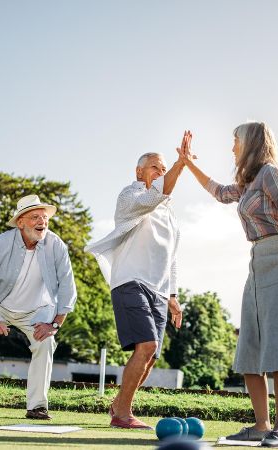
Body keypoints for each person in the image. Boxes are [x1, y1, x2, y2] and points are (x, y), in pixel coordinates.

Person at [178, 123, 278, 448]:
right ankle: (261, 425)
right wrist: (188, 162)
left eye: (235, 140)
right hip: (258, 259)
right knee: (249, 344)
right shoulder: (248, 182)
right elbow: (220, 193)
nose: (232, 147)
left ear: (250, 143)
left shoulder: (271, 174)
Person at [85, 133, 190, 429]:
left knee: (152, 354)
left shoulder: (171, 216)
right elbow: (155, 196)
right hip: (130, 281)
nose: (161, 172)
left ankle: (119, 404)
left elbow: (171, 257)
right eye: (156, 167)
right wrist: (181, 165)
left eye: (164, 168)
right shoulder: (130, 197)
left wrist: (173, 296)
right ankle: (122, 415)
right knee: (145, 345)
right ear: (139, 171)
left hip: (158, 290)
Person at [0, 194, 77, 420]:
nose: (41, 222)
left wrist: (54, 324)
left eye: (44, 217)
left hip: (38, 309)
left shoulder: (56, 245)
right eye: (35, 217)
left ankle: (37, 406)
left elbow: (67, 288)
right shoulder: (1, 243)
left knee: (46, 343)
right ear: (20, 222)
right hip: (0, 305)